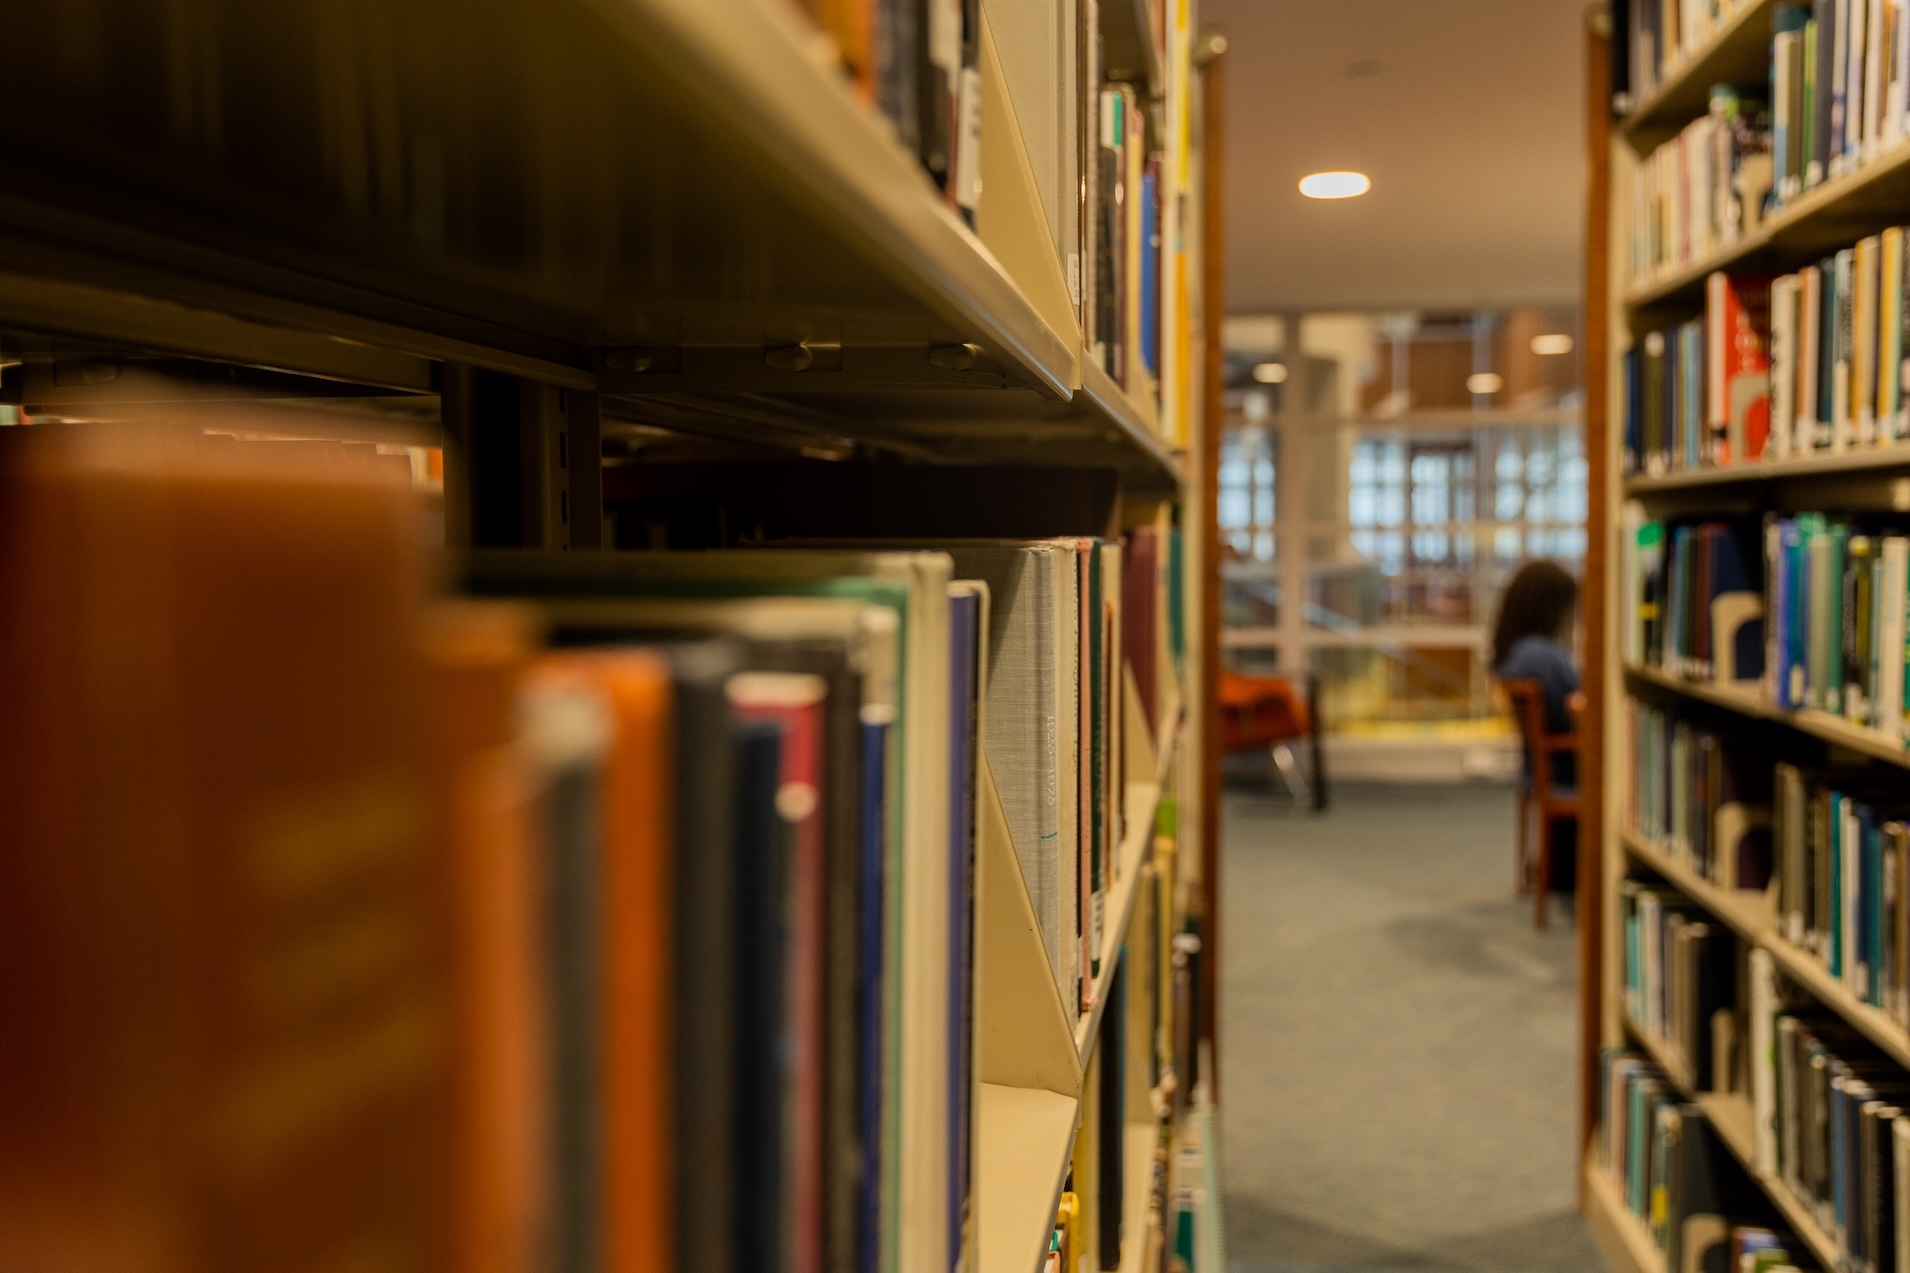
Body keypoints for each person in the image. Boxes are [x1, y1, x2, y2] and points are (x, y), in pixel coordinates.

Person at [1490, 560, 1581, 892]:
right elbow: (1573, 710)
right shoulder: (1543, 656)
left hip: (1540, 768)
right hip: (1565, 769)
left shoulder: (1516, 652)